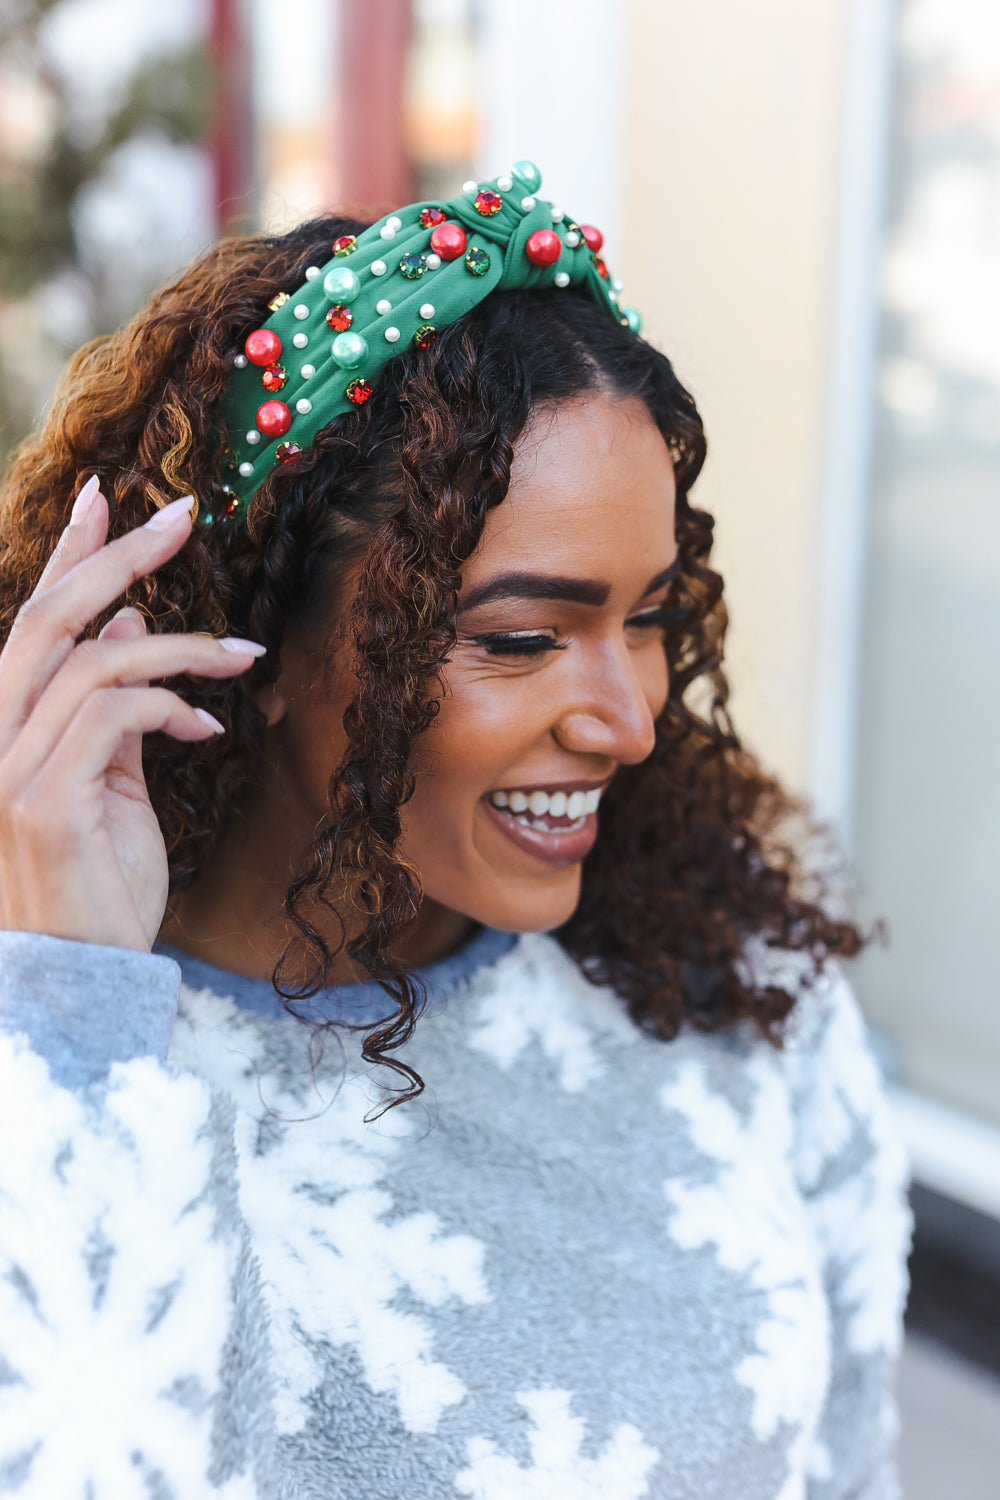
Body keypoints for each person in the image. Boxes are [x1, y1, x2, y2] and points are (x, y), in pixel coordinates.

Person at [0, 164, 909, 1499]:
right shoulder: (58, 1072)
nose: (630, 720)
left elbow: (851, 1461)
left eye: (649, 619)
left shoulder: (733, 986)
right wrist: (79, 1012)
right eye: (524, 639)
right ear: (251, 642)